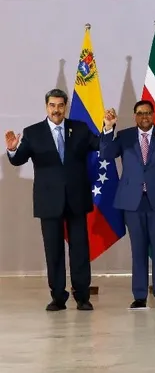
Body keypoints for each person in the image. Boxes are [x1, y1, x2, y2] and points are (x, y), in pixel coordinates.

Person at [5, 88, 100, 311]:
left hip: (76, 198)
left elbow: (99, 145)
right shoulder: (33, 132)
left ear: (65, 106)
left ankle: (82, 296)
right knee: (53, 251)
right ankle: (58, 296)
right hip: (49, 201)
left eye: (60, 105)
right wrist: (12, 150)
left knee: (79, 250)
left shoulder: (80, 128)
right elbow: (18, 160)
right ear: (46, 106)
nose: (56, 110)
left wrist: (107, 128)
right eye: (52, 105)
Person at [99, 101, 155, 309]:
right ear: (134, 116)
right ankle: (139, 295)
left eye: (148, 113)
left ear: (154, 115)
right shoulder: (125, 136)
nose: (144, 116)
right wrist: (108, 128)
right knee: (137, 249)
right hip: (132, 201)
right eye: (140, 113)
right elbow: (106, 153)